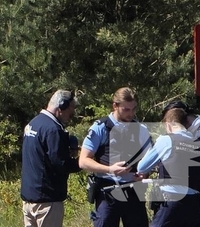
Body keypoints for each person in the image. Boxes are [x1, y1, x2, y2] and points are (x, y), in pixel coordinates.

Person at [80, 87, 152, 227]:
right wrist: (109, 169)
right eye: (126, 109)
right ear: (115, 105)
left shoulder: (141, 129)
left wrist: (144, 173)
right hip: (108, 192)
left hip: (133, 192)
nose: (131, 114)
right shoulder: (100, 128)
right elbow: (83, 161)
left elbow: (149, 159)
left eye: (134, 109)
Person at [134, 106, 200, 227]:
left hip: (172, 201)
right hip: (194, 204)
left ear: (168, 124)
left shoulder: (166, 140)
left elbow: (142, 167)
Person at [21, 89, 81, 227]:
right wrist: (82, 162)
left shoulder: (33, 124)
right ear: (62, 106)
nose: (72, 114)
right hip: (47, 201)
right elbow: (61, 164)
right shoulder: (53, 130)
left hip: (30, 198)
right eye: (71, 109)